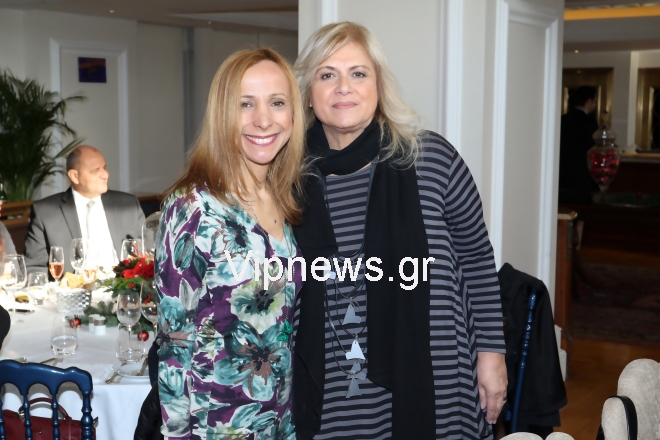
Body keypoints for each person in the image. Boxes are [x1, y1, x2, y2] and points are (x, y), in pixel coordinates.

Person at [292, 22, 507, 440]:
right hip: (329, 386)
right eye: (327, 74)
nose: (343, 87)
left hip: (435, 375)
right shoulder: (285, 181)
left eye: (358, 73)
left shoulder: (433, 160)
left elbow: (478, 261)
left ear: (379, 84)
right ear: (309, 93)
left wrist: (492, 354)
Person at [156, 48, 306, 439]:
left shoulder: (285, 199)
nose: (263, 119)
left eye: (277, 102)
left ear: (293, 114)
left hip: (280, 422)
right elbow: (173, 344)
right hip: (216, 426)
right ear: (222, 113)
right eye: (245, 104)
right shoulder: (192, 208)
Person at [24, 145, 145, 274]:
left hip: (124, 284)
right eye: (95, 170)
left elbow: (148, 254)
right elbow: (35, 268)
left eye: (104, 168)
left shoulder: (128, 205)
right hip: (73, 285)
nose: (105, 174)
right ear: (74, 176)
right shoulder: (46, 212)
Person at [559, 85, 600, 204]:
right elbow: (592, 149)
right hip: (582, 174)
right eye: (595, 101)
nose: (595, 104)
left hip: (562, 173)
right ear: (588, 101)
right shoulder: (590, 122)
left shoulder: (562, 119)